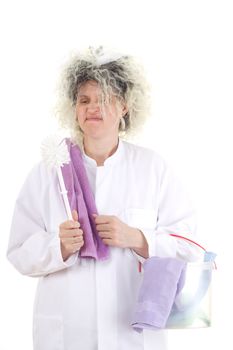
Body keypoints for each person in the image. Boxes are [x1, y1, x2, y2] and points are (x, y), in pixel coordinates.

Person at [7, 46, 200, 350]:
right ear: (74, 107)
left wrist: (138, 238)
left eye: (105, 99)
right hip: (65, 334)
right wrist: (58, 246)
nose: (92, 108)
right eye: (84, 100)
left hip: (132, 336)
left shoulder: (152, 168)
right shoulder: (50, 171)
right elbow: (18, 252)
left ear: (125, 105)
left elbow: (191, 246)